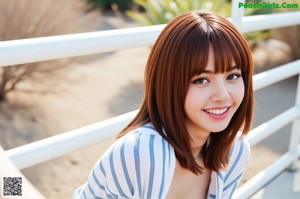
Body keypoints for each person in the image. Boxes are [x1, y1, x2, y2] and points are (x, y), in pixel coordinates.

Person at [73, 10, 253, 199]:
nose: (222, 95)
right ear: (169, 84)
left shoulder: (235, 151)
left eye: (232, 76)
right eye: (201, 80)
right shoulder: (141, 152)